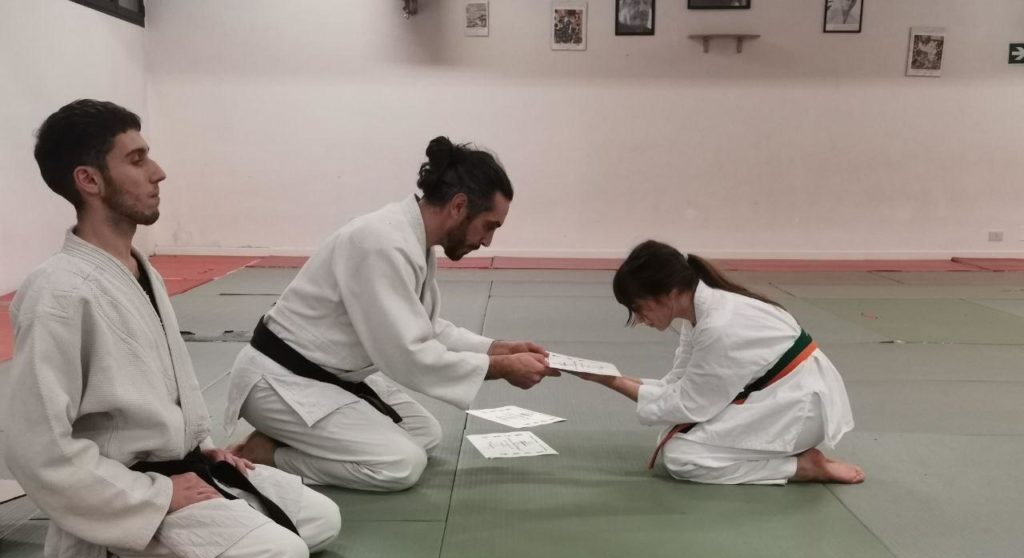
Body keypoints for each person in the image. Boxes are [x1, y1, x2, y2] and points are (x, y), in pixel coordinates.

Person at [6, 99, 340, 558]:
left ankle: (195, 520)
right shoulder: (57, 292)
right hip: (129, 493)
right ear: (89, 180)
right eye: (136, 159)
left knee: (320, 520)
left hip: (179, 470)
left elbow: (155, 388)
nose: (157, 172)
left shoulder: (140, 270)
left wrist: (201, 448)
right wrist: (157, 495)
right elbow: (37, 447)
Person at [226, 137, 557, 491]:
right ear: (459, 206)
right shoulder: (381, 242)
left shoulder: (411, 239)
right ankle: (269, 454)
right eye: (490, 226)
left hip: (329, 378)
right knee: (401, 464)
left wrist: (497, 348)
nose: (488, 241)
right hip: (281, 381)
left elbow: (424, 327)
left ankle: (292, 437)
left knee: (425, 434)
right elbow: (407, 354)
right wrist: (501, 368)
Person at [572, 241, 864, 485]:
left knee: (682, 457)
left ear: (669, 294)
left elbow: (689, 405)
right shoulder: (700, 313)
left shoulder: (718, 325)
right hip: (780, 396)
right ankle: (786, 457)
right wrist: (604, 374)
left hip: (798, 409)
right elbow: (675, 385)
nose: (638, 319)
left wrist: (611, 381)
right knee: (681, 438)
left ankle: (799, 467)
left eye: (638, 307)